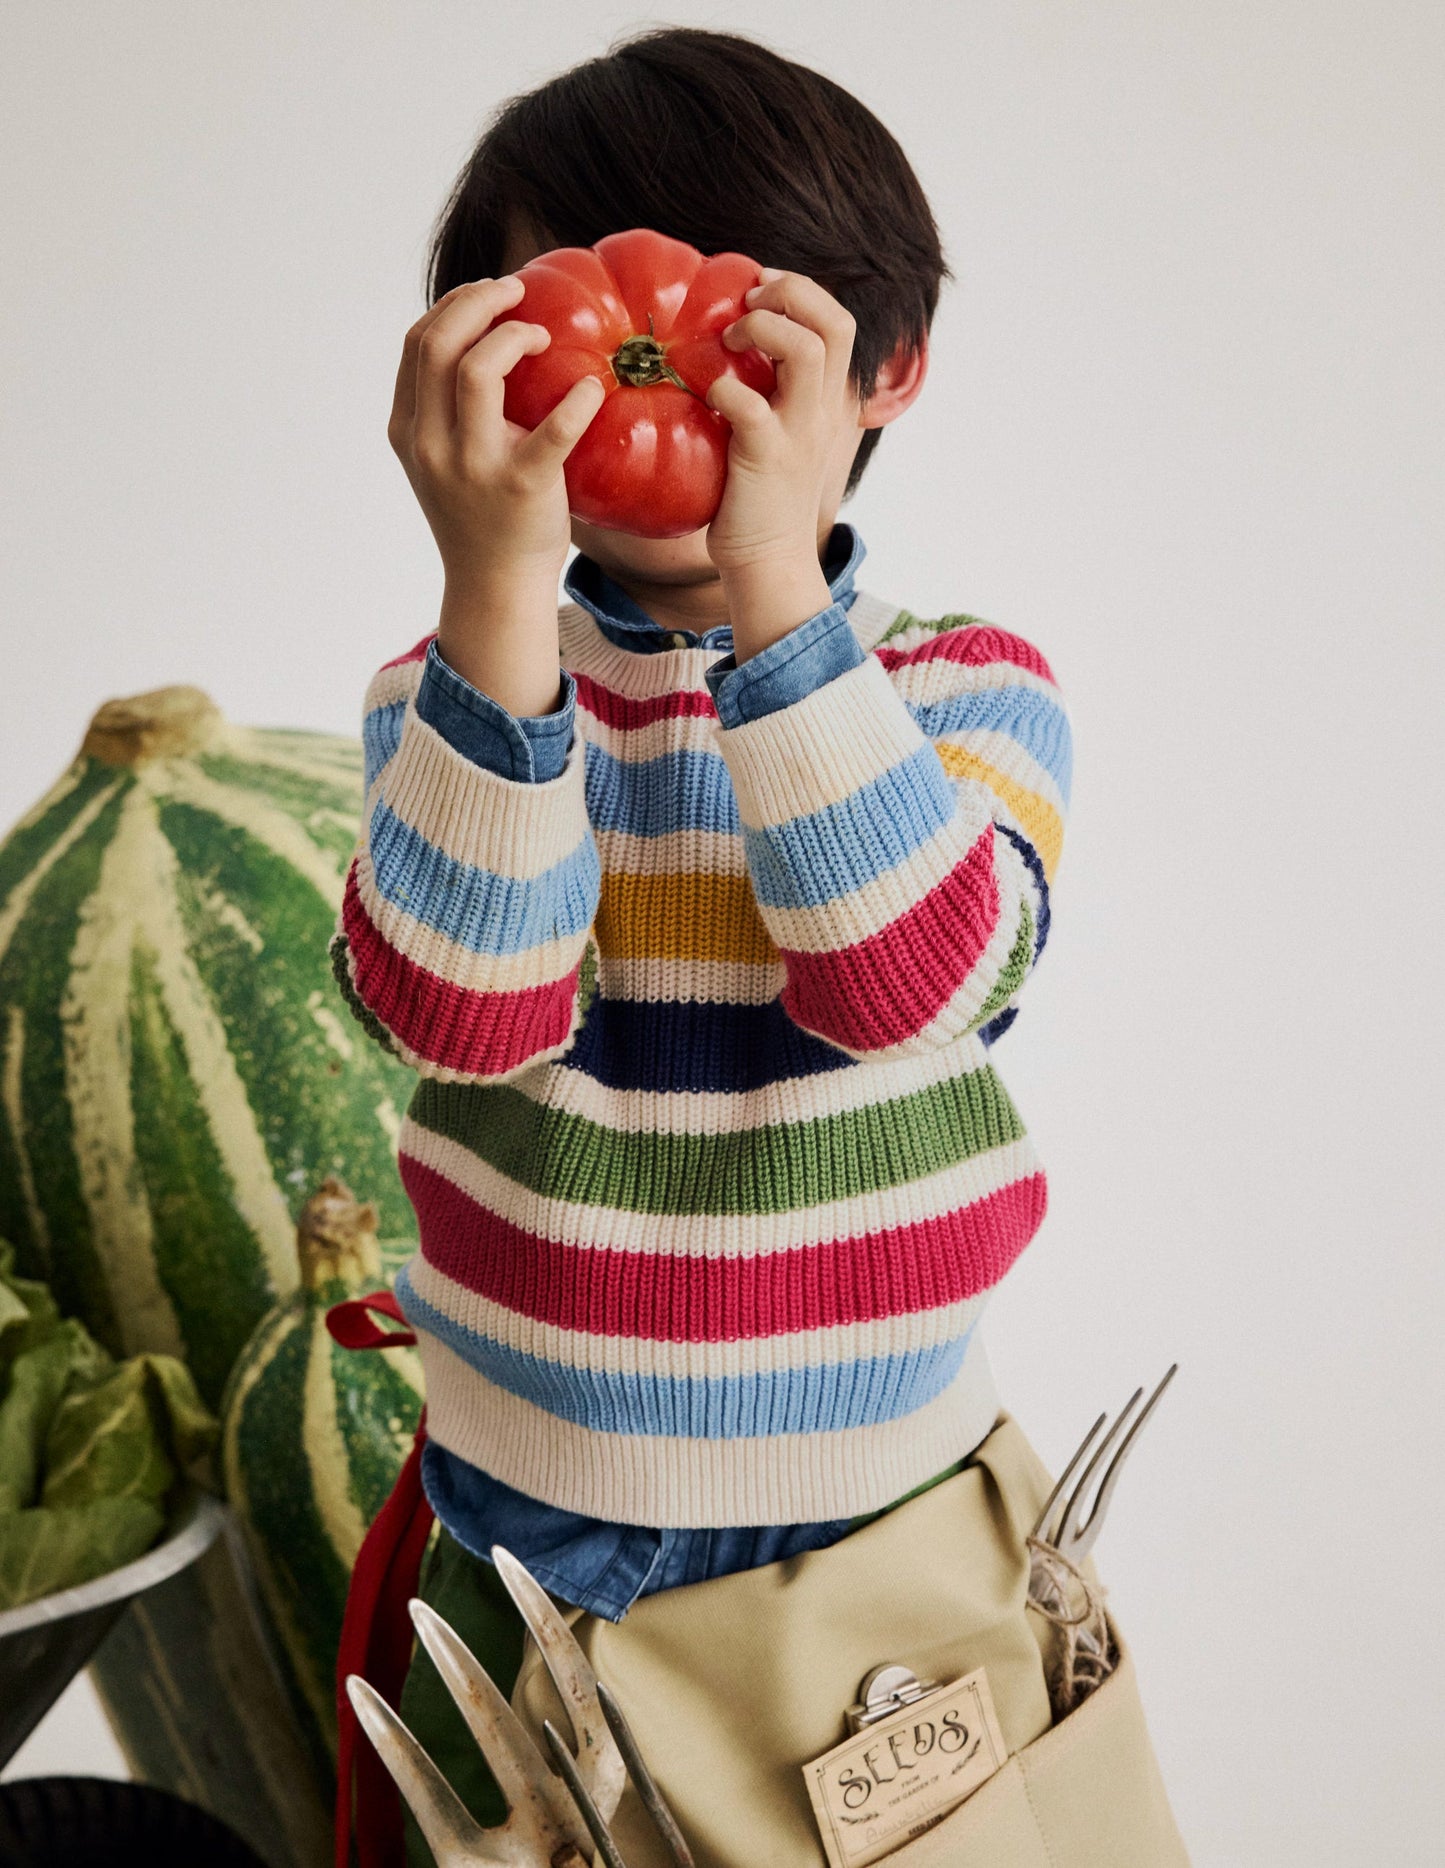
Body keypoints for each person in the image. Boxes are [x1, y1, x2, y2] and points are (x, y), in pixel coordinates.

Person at [330, 25, 1072, 1865]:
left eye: (743, 335)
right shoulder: (450, 696)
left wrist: (776, 598)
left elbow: (907, 985)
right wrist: (494, 586)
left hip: (880, 1521)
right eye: (565, 321)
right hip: (523, 1523)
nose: (646, 378)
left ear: (886, 366)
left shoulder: (960, 687)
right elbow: (463, 1015)